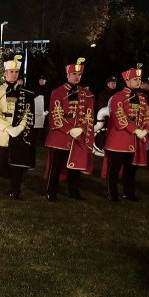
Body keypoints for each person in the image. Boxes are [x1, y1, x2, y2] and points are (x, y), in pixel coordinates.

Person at [0, 55, 36, 200]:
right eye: (11, 71)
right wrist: (9, 128)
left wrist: (20, 127)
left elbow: (27, 111)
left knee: (17, 165)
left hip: (18, 133)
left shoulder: (24, 93)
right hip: (0, 133)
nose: (14, 74)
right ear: (5, 73)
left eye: (16, 72)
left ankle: (15, 191)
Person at [44, 58, 95, 201]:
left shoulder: (86, 94)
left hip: (78, 133)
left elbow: (89, 114)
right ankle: (51, 191)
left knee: (76, 165)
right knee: (56, 165)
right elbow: (55, 114)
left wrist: (81, 128)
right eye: (74, 74)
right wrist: (70, 129)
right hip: (61, 134)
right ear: (67, 75)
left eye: (79, 75)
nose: (77, 77)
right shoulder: (58, 92)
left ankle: (73, 191)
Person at [103, 64, 149, 201]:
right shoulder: (118, 96)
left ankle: (128, 192)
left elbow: (147, 116)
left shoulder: (142, 98)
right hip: (120, 138)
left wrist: (146, 130)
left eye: (139, 79)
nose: (138, 81)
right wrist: (135, 129)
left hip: (136, 138)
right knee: (115, 168)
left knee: (131, 169)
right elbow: (119, 117)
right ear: (127, 81)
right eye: (135, 79)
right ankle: (112, 193)